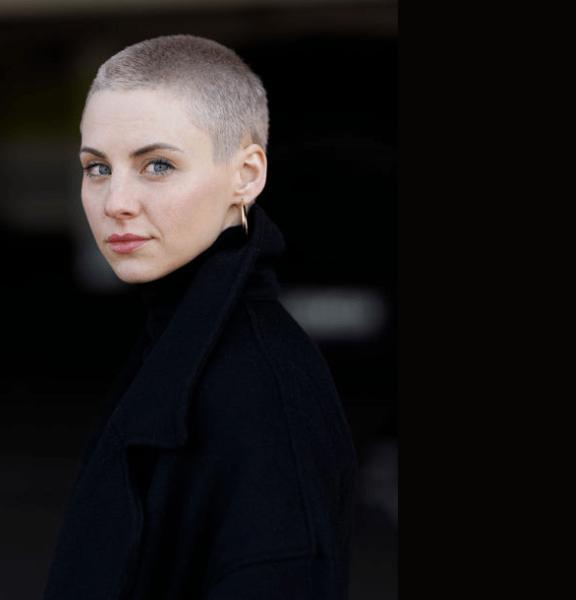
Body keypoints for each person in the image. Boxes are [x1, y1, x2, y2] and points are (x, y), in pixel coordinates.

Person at [43, 35, 357, 600]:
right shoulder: (176, 339)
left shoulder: (258, 390)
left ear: (247, 175)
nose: (116, 201)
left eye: (156, 165)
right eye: (96, 167)